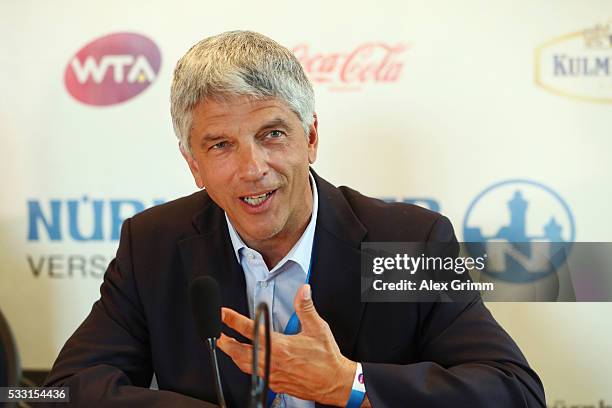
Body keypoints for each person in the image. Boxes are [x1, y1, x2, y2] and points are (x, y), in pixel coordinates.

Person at [45, 30, 546, 407]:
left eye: (272, 135)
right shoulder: (153, 243)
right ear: (193, 164)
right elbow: (63, 392)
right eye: (221, 145)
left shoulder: (407, 242)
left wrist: (348, 384)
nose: (251, 169)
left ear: (310, 138)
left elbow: (515, 390)